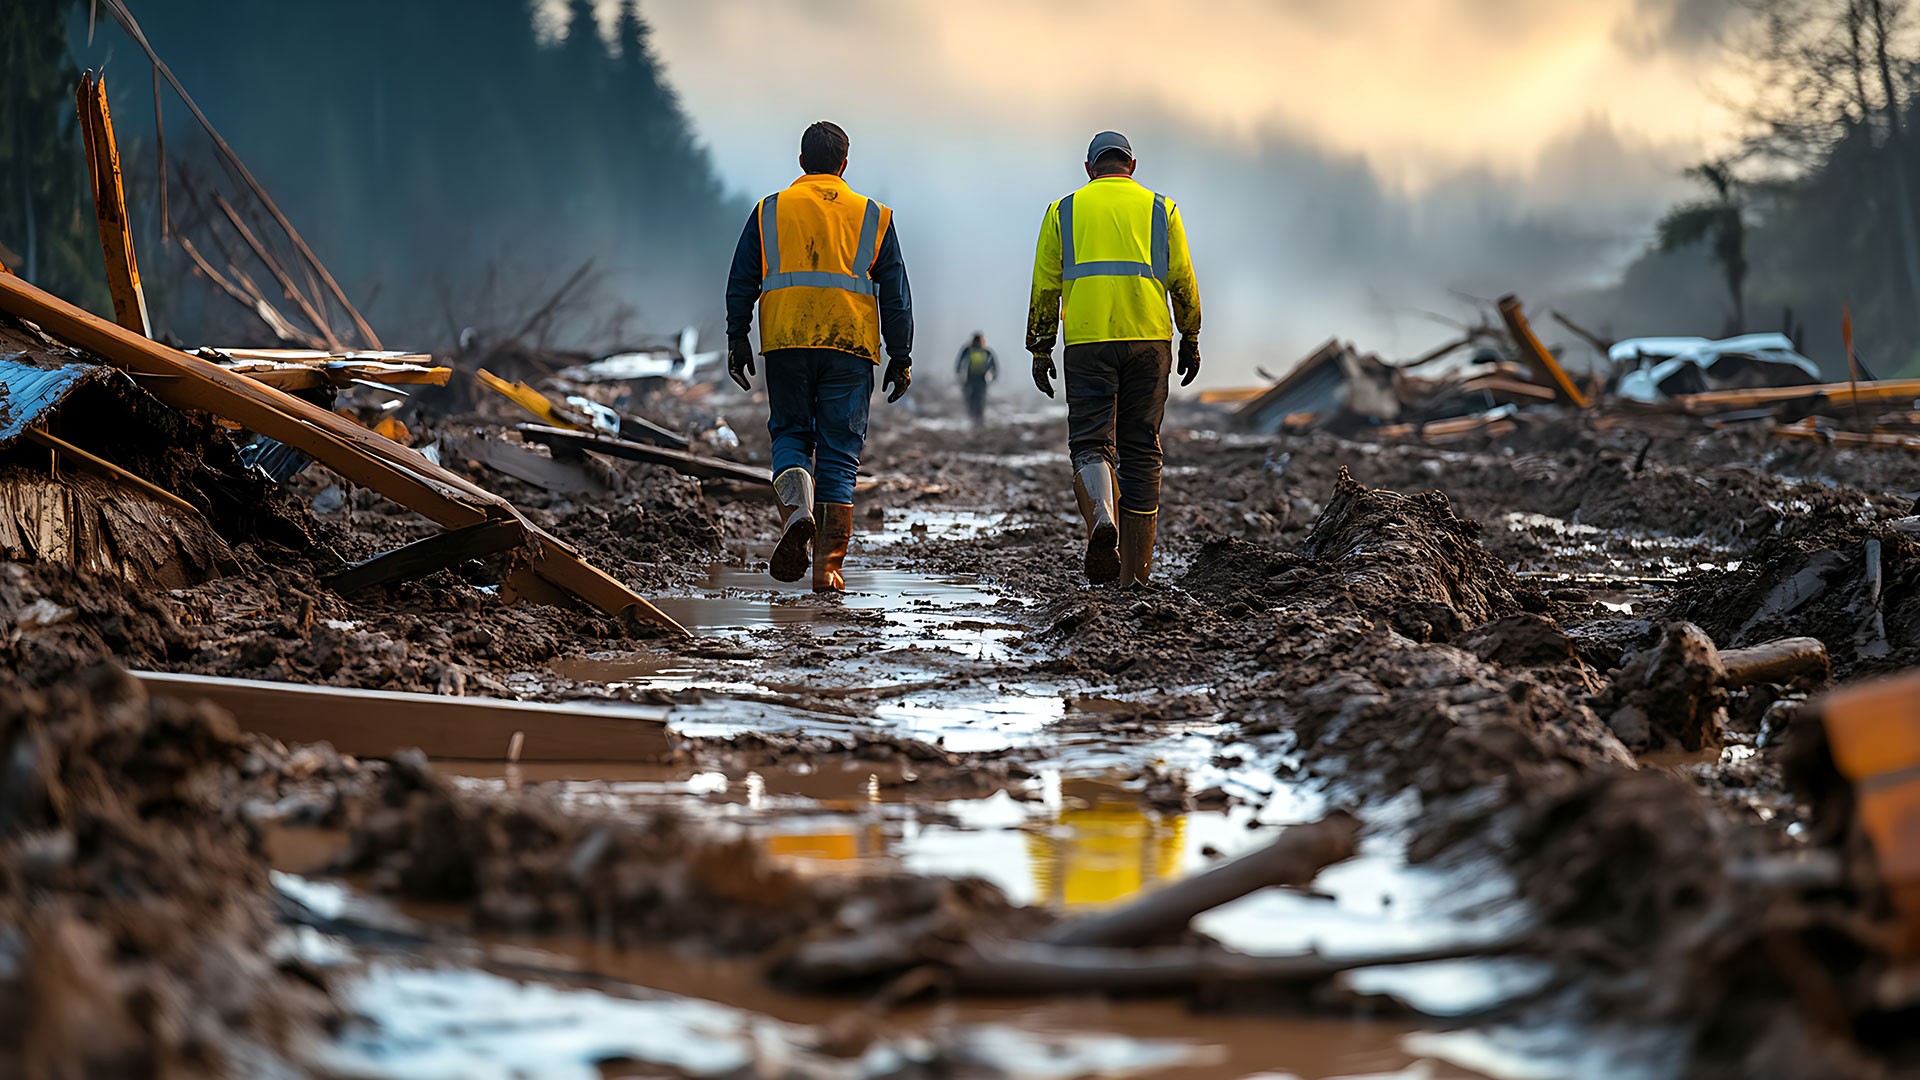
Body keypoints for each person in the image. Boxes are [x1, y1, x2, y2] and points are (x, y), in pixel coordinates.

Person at [725, 121, 914, 592]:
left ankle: (798, 512)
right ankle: (827, 570)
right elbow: (895, 293)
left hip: (786, 340)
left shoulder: (770, 211)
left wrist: (737, 337)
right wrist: (901, 354)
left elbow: (741, 279)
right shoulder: (873, 215)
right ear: (844, 164)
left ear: (802, 162)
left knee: (790, 434)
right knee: (840, 452)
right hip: (849, 346)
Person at [1025, 131, 1201, 587]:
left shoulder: (1063, 210)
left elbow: (1046, 286)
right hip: (1150, 340)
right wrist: (1191, 335)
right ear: (1132, 166)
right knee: (1142, 450)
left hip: (1086, 342)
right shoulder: (1163, 210)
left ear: (1089, 169)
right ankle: (1134, 576)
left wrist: (1040, 346)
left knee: (1089, 443)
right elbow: (1181, 279)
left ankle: (1103, 516)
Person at [954, 332, 998, 426]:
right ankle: (979, 420)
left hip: (970, 379)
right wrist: (994, 376)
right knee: (980, 400)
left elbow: (959, 363)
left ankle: (973, 418)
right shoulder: (986, 351)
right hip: (982, 380)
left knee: (970, 399)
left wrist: (959, 374)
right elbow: (993, 365)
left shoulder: (968, 350)